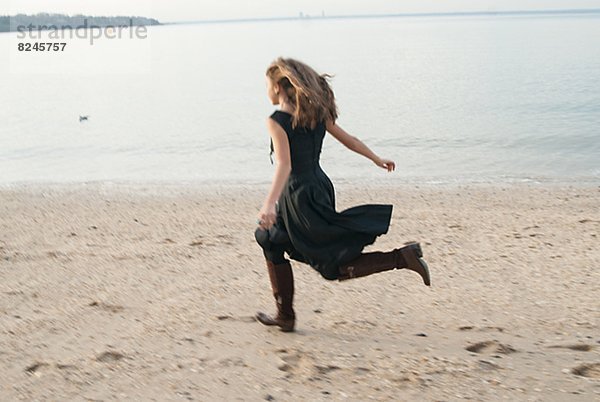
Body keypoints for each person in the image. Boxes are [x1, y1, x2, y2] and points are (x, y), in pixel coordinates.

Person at [254, 57, 430, 333]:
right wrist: (375, 158)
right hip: (319, 187)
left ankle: (401, 258)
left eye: (266, 85)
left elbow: (284, 165)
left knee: (331, 266)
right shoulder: (314, 114)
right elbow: (350, 140)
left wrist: (269, 205)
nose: (265, 90)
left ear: (278, 87)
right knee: (269, 239)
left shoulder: (277, 121)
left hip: (298, 196)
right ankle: (284, 315)